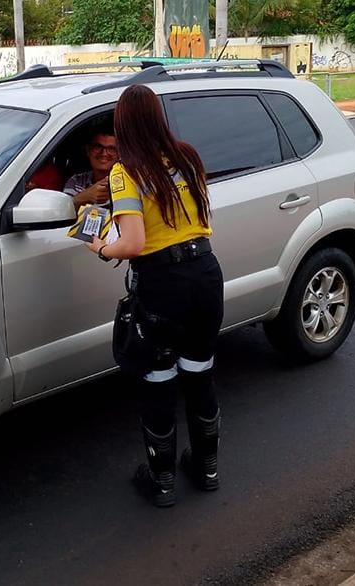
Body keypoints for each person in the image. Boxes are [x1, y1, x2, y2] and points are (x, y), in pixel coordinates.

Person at [84, 84, 224, 507]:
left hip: (163, 285)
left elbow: (131, 244)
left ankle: (161, 481)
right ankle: (207, 469)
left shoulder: (126, 172)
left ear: (122, 124)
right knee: (200, 372)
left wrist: (99, 246)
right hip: (205, 273)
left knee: (158, 377)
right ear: (159, 117)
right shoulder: (187, 156)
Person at [64, 131, 118, 208]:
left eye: (111, 149)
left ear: (119, 154)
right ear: (88, 150)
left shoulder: (128, 183)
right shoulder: (76, 181)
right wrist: (86, 196)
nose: (104, 153)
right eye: (98, 147)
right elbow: (62, 210)